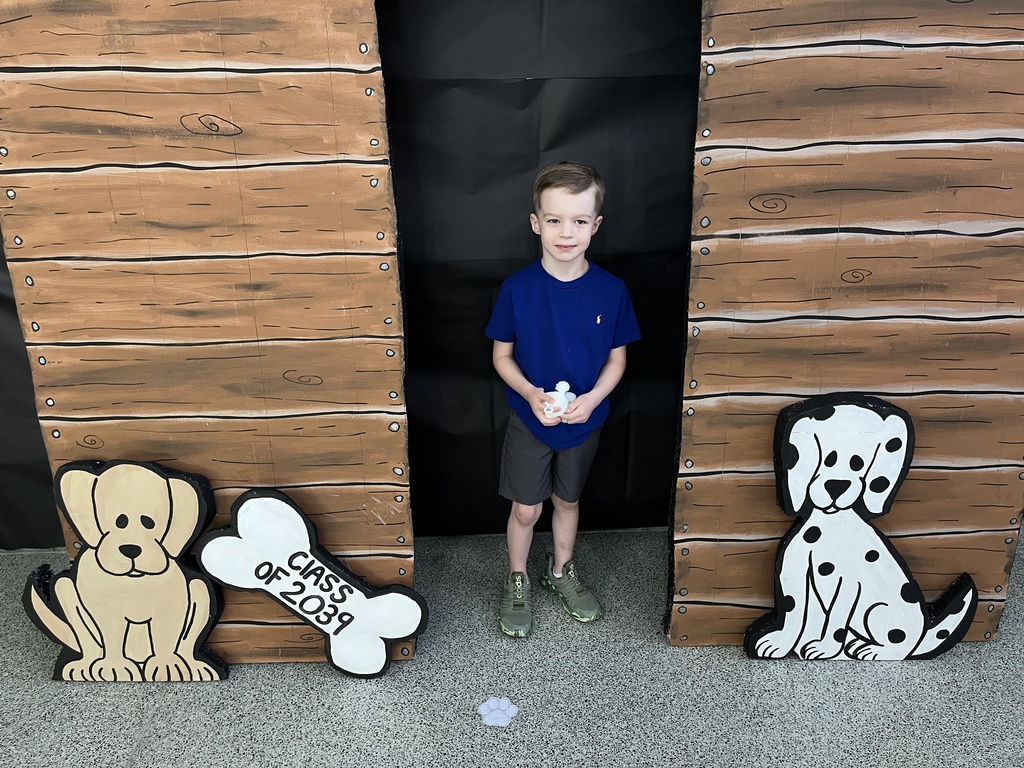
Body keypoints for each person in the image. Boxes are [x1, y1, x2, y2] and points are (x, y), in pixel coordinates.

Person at [485, 161, 641, 637]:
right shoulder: (517, 289)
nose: (566, 232)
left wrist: (593, 399)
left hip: (585, 420)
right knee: (527, 508)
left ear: (596, 226)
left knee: (567, 500)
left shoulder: (612, 291)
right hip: (530, 419)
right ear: (537, 224)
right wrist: (531, 394)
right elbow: (502, 357)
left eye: (578, 221)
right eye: (554, 220)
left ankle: (561, 572)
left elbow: (617, 361)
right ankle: (518, 576)